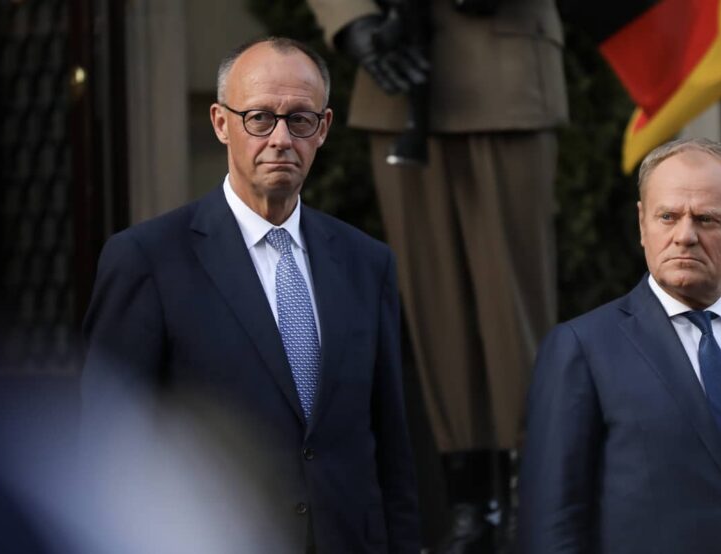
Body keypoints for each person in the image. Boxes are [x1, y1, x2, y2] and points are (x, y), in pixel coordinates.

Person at [81, 37, 420, 553]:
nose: (281, 138)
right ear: (221, 123)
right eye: (259, 118)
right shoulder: (148, 259)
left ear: (323, 129)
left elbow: (393, 444)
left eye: (300, 120)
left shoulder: (366, 263)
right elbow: (111, 448)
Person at [307, 0, 568, 548]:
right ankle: (470, 498)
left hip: (505, 67)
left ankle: (535, 490)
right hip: (397, 76)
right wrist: (353, 22)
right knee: (433, 308)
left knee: (512, 307)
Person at [517, 138, 721, 554]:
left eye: (706, 219)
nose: (684, 236)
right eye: (668, 216)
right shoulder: (583, 347)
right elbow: (551, 522)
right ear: (642, 224)